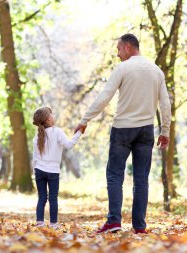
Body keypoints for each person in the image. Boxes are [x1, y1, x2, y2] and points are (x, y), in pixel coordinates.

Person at [74, 34, 171, 234]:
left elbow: (105, 96)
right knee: (141, 178)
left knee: (115, 174)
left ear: (128, 47)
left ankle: (114, 221)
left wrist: (85, 120)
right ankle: (139, 227)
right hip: (146, 130)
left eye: (118, 50)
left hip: (123, 129)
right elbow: (165, 103)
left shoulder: (123, 68)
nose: (118, 55)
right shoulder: (157, 71)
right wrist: (165, 130)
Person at [32, 107, 82, 229]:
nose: (53, 116)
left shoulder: (37, 136)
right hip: (53, 171)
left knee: (42, 197)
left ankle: (40, 223)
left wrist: (35, 170)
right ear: (48, 119)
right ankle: (53, 224)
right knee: (53, 198)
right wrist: (79, 132)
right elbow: (69, 145)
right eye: (52, 114)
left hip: (39, 170)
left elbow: (35, 157)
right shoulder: (57, 132)